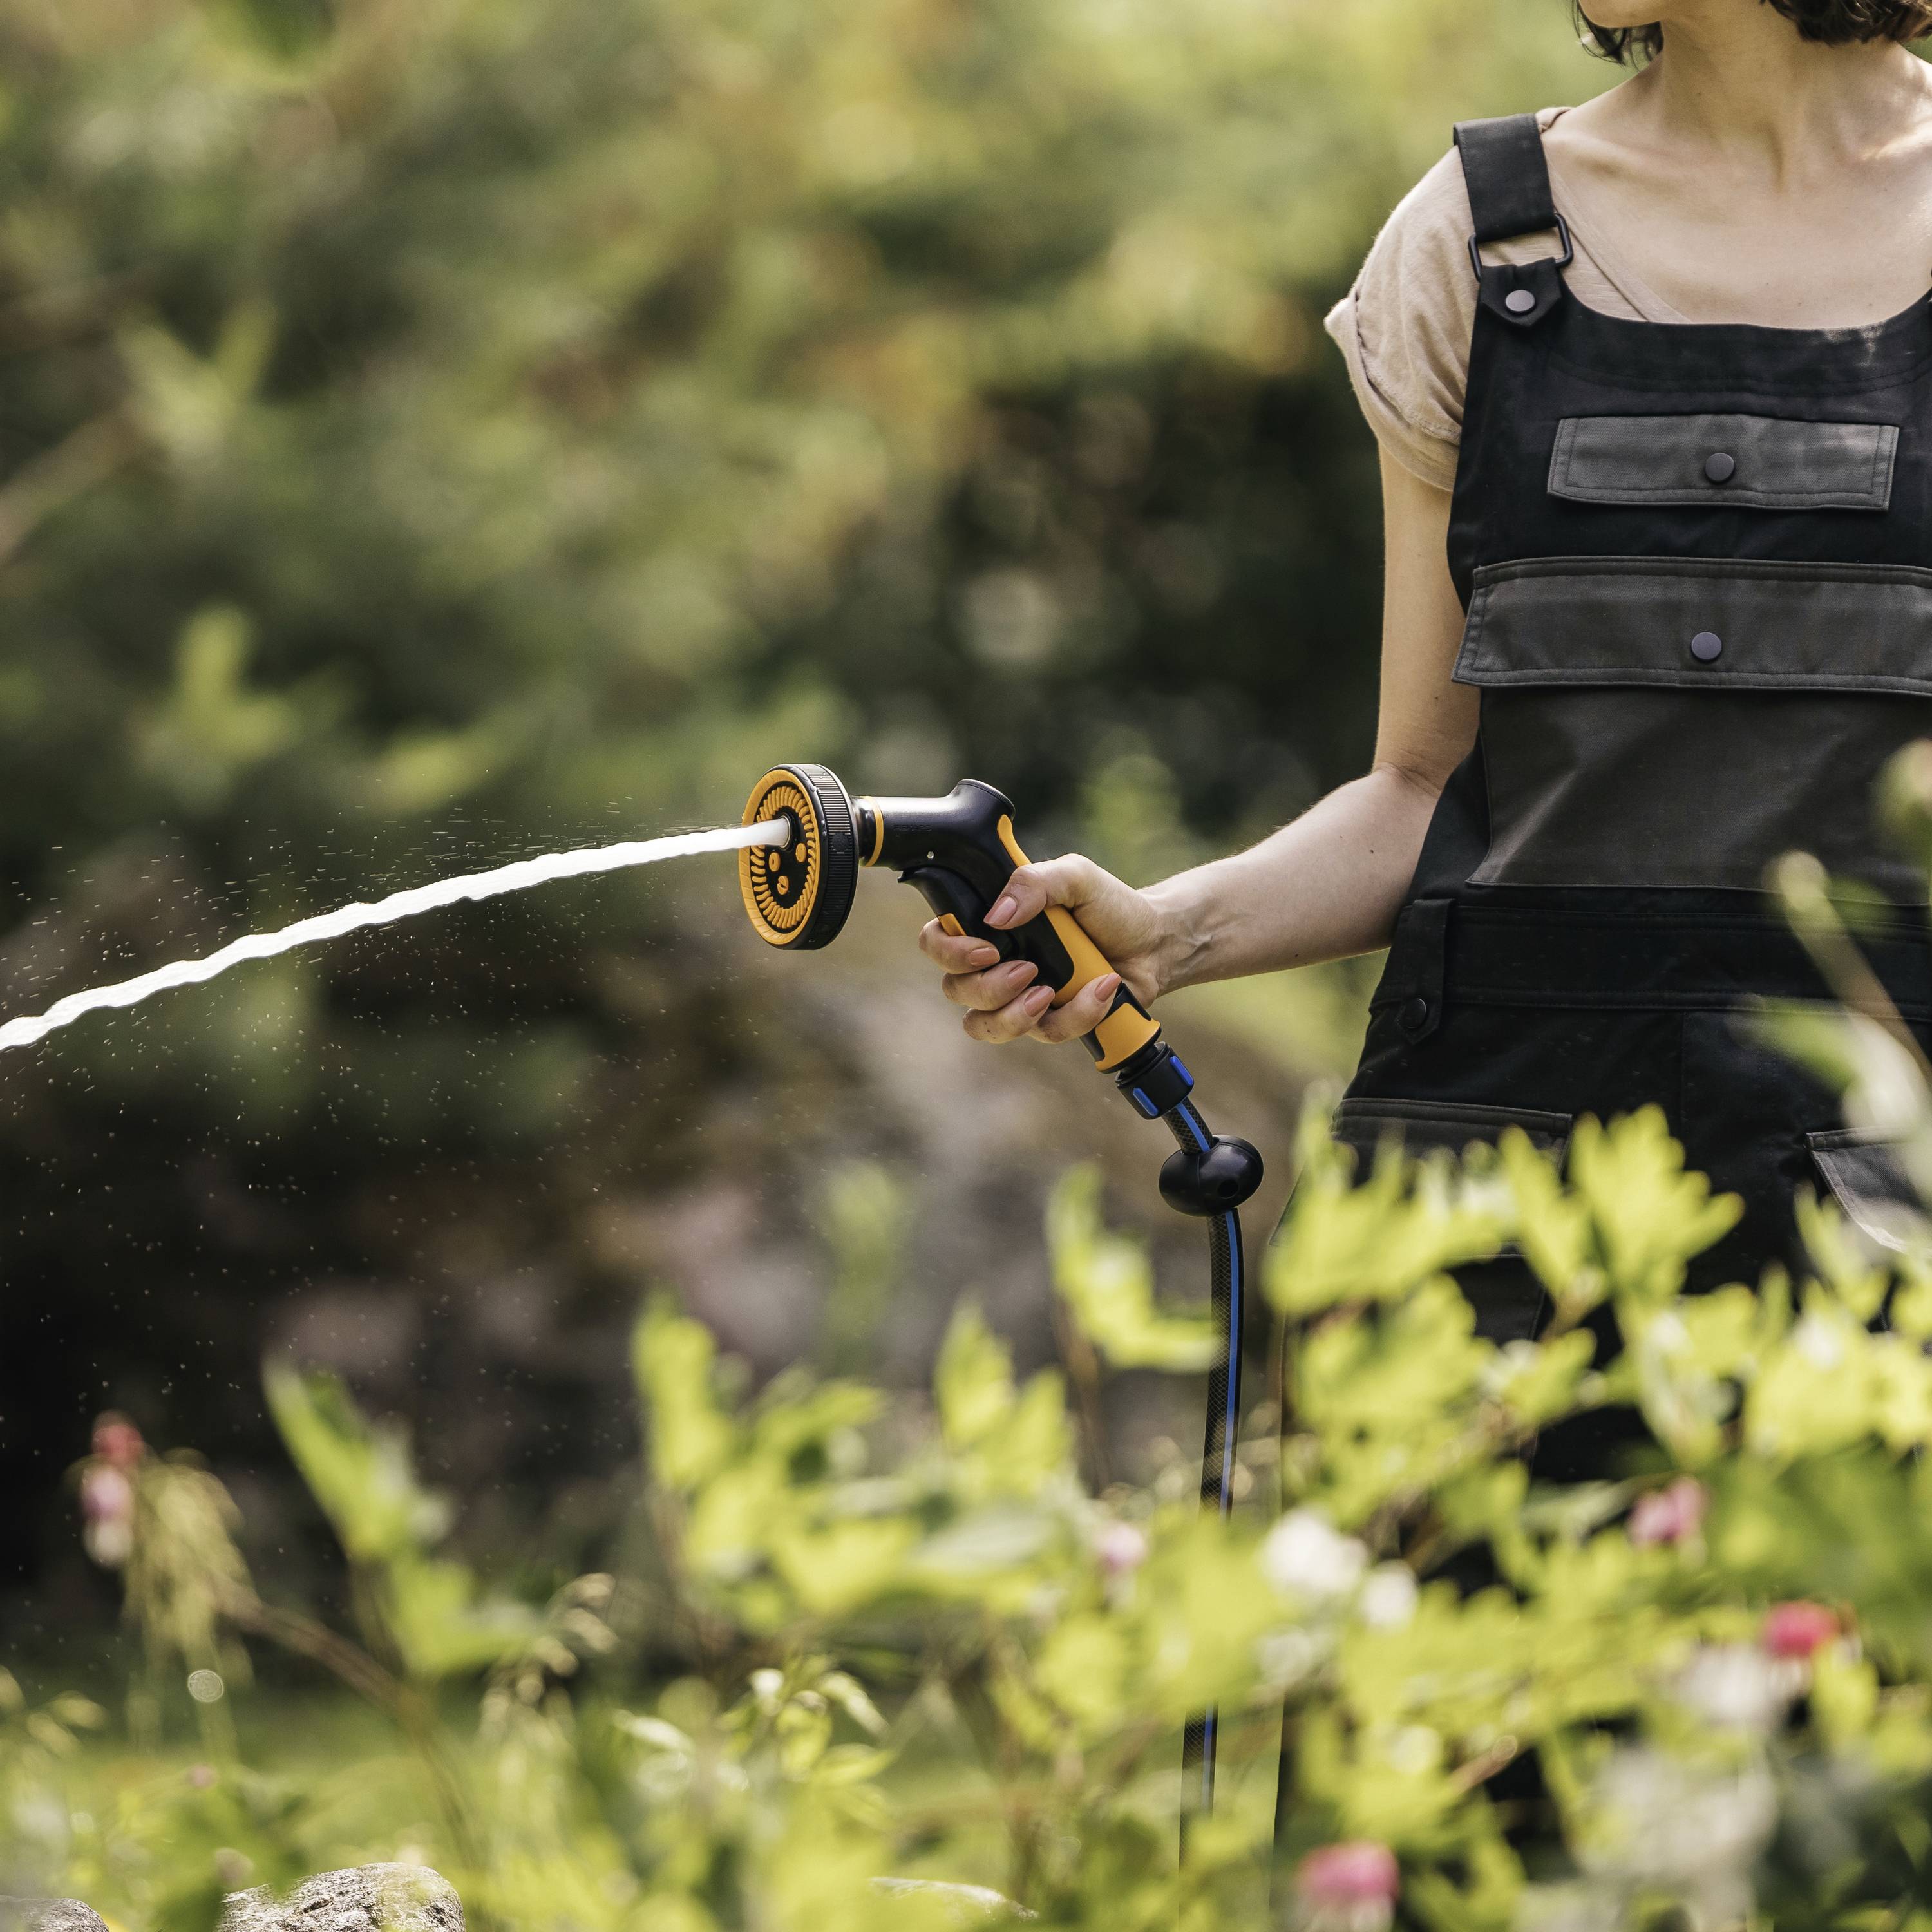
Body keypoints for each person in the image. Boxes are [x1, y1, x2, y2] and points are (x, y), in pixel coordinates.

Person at [916, 0, 1932, 1340]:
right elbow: (1421, 787)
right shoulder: (1475, 234)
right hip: (1494, 1238)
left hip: (1889, 1236)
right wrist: (1166, 934)